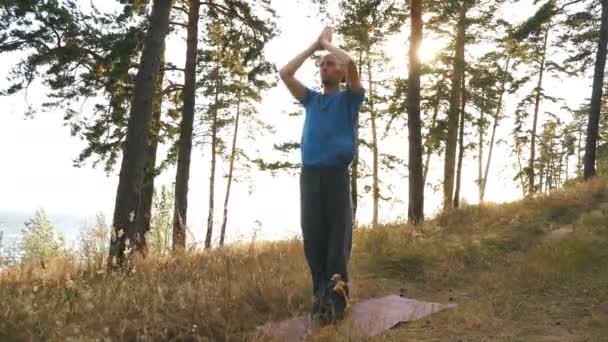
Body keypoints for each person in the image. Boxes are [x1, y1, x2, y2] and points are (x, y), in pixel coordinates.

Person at [278, 26, 365, 324]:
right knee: (314, 240)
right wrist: (313, 46)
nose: (325, 66)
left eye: (331, 63)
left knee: (337, 241)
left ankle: (337, 304)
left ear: (340, 73)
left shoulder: (350, 99)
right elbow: (285, 73)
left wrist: (328, 44)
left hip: (337, 177)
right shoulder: (312, 100)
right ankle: (320, 301)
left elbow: (352, 64)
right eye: (323, 64)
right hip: (310, 177)